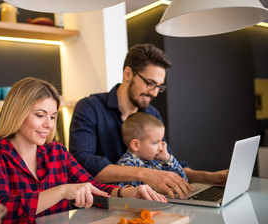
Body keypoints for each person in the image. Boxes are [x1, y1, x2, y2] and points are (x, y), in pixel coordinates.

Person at [0, 77, 166, 224]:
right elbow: (0, 212)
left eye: (52, 116)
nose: (49, 124)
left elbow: (93, 187)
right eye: (40, 115)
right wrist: (62, 191)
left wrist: (126, 193)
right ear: (18, 113)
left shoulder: (56, 151)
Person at [69, 43, 228, 199]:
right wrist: (145, 173)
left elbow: (165, 164)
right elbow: (82, 163)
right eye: (150, 83)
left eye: (159, 87)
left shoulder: (152, 114)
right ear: (128, 74)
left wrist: (210, 178)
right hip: (98, 206)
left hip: (147, 204)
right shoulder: (89, 108)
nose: (154, 93)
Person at [116, 112, 188, 187]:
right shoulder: (126, 167)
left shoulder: (157, 160)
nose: (160, 148)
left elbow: (182, 180)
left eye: (161, 141)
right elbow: (127, 195)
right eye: (155, 143)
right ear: (136, 145)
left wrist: (167, 158)